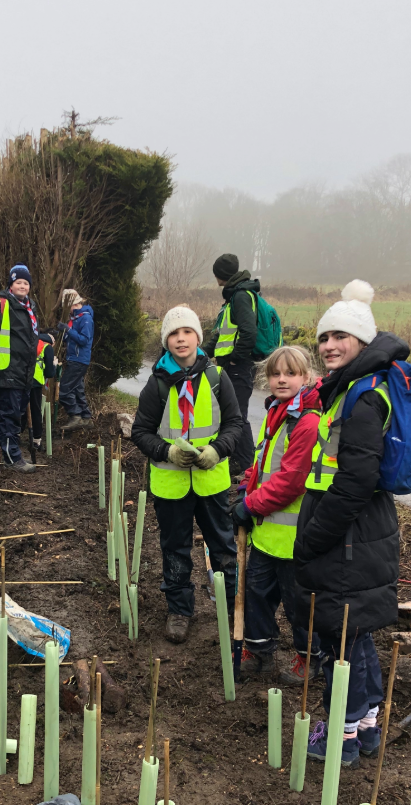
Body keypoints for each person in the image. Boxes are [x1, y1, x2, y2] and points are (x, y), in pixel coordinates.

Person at [292, 280, 410, 765]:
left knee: (339, 638)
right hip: (357, 534)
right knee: (354, 635)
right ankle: (364, 727)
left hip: (347, 539)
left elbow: (354, 484)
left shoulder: (362, 400)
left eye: (341, 336)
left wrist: (312, 539)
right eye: (324, 337)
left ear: (362, 341)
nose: (329, 346)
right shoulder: (357, 389)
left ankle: (338, 738)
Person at [131, 305, 242, 643]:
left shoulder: (217, 378)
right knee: (175, 549)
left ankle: (231, 608)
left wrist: (217, 450)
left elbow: (235, 424)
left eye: (187, 332)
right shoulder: (157, 384)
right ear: (166, 342)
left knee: (223, 546)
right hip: (171, 486)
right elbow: (140, 432)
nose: (181, 339)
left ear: (198, 337)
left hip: (211, 484)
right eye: (174, 335)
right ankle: (180, 610)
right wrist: (167, 452)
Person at [230, 344, 330, 685]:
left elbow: (291, 481)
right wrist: (248, 484)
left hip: (294, 538)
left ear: (306, 377)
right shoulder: (279, 414)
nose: (282, 379)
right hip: (267, 533)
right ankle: (259, 652)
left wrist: (250, 505)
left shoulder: (306, 421)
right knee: (257, 593)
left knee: (298, 604)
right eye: (276, 374)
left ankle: (310, 658)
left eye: (290, 373)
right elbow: (265, 466)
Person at [0, 264, 41, 472]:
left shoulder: (30, 308)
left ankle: (13, 453)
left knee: (18, 415)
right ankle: (11, 458)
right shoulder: (2, 306)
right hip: (7, 372)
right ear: (11, 285)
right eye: (18, 282)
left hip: (24, 373)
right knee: (9, 415)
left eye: (26, 283)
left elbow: (30, 340)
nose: (22, 286)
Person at [209, 253, 263, 481]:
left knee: (238, 414)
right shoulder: (233, 296)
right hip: (231, 366)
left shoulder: (240, 296)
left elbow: (249, 332)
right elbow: (221, 335)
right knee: (232, 412)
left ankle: (246, 464)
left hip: (239, 366)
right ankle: (239, 461)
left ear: (221, 275)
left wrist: (234, 358)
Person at [58, 289, 93, 429]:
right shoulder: (76, 319)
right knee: (78, 389)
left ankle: (75, 415)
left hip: (79, 360)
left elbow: (84, 340)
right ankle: (86, 418)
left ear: (73, 305)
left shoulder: (85, 319)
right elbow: (71, 338)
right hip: (75, 358)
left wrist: (68, 330)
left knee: (65, 390)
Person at [27, 331, 58, 453]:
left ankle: (15, 436)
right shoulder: (47, 347)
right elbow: (49, 373)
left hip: (20, 379)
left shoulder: (29, 339)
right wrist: (54, 365)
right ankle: (36, 441)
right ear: (52, 342)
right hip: (35, 382)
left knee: (20, 408)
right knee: (36, 410)